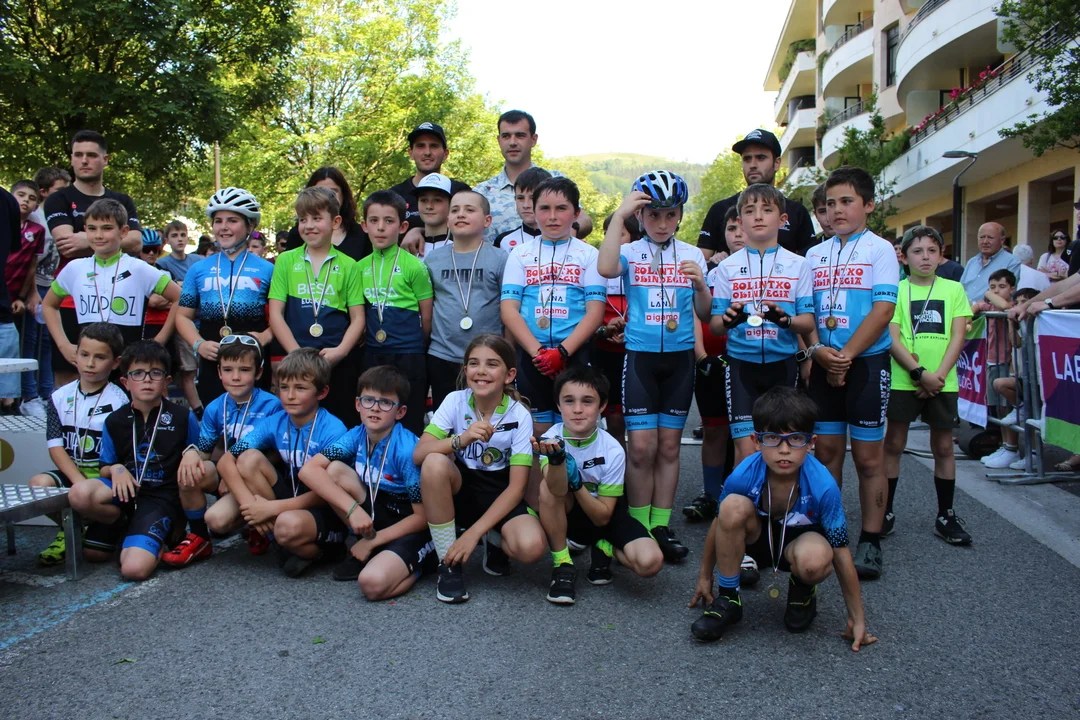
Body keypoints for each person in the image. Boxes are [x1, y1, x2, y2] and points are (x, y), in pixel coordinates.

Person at [687, 387, 875, 651]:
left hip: (800, 544)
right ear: (756, 441)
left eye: (796, 439)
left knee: (815, 560)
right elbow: (719, 523)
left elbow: (841, 553)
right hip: (758, 540)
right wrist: (705, 575)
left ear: (811, 443)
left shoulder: (824, 485)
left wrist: (857, 618)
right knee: (731, 506)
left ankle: (803, 588)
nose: (784, 450)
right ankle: (729, 598)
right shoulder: (743, 474)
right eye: (773, 438)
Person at [597, 171, 708, 564]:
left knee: (669, 446)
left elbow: (705, 313)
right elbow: (605, 268)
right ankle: (639, 523)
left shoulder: (693, 254)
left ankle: (661, 525)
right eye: (653, 215)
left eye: (670, 215)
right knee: (641, 447)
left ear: (680, 216)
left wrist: (701, 286)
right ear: (641, 217)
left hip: (679, 360)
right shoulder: (630, 252)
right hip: (641, 358)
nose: (662, 223)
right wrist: (618, 215)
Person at [805, 166, 898, 580]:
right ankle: (832, 531)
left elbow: (883, 311)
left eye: (847, 201)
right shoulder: (814, 254)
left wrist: (843, 357)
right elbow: (805, 312)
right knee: (826, 453)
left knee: (867, 458)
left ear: (869, 205)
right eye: (830, 204)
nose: (837, 210)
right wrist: (817, 351)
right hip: (824, 362)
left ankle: (871, 540)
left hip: (865, 364)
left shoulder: (880, 249)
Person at [413, 334, 546, 603]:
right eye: (474, 363)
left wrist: (472, 535)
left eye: (492, 364)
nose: (481, 371)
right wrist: (460, 440)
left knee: (531, 548)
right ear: (465, 371)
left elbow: (516, 488)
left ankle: (491, 537)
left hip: (500, 492)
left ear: (509, 375)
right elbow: (419, 454)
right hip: (462, 488)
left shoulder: (519, 414)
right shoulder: (455, 400)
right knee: (434, 463)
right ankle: (448, 563)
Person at [67, 341, 200, 581]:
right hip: (125, 493)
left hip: (160, 498)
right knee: (79, 496)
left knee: (132, 569)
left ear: (167, 381)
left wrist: (193, 452)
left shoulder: (182, 417)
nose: (147, 380)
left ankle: (160, 534)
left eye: (155, 373)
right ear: (125, 382)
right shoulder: (114, 421)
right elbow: (104, 467)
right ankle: (121, 522)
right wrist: (116, 469)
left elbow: (200, 457)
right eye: (138, 374)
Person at [300, 365, 437, 598]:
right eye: (368, 400)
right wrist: (353, 510)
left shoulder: (406, 450)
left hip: (410, 525)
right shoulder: (357, 434)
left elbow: (422, 517)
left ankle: (421, 563)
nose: (375, 408)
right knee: (334, 470)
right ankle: (368, 543)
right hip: (376, 509)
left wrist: (374, 542)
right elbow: (309, 470)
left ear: (400, 412)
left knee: (371, 585)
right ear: (357, 404)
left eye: (386, 403)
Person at [536, 365, 663, 605]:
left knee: (651, 562)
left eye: (587, 401)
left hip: (605, 514)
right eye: (569, 401)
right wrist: (557, 464)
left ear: (602, 406)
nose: (577, 410)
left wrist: (577, 484)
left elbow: (603, 517)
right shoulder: (551, 439)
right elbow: (556, 491)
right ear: (558, 405)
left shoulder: (613, 448)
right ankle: (562, 564)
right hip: (571, 515)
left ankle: (605, 547)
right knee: (547, 487)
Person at [217, 349, 348, 576]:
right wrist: (251, 508)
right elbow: (227, 460)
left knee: (287, 527)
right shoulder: (276, 421)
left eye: (300, 388)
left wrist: (271, 508)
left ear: (322, 392)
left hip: (327, 507)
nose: (290, 395)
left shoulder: (333, 430)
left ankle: (324, 551)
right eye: (284, 387)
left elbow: (330, 492)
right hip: (291, 497)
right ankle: (279, 536)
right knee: (247, 459)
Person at [882, 226, 973, 545]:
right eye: (917, 251)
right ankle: (885, 510)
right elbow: (891, 337)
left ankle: (946, 514)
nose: (925, 257)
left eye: (932, 251)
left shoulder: (954, 289)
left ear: (941, 255)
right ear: (904, 257)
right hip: (904, 378)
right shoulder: (896, 289)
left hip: (942, 381)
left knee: (944, 446)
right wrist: (919, 373)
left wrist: (938, 376)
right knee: (894, 443)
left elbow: (958, 336)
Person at [501, 177, 605, 437]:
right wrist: (539, 353)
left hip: (575, 355)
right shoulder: (520, 253)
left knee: (574, 429)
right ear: (534, 211)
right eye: (545, 208)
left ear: (576, 213)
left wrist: (562, 352)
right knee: (537, 432)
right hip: (532, 357)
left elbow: (595, 312)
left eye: (561, 208)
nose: (553, 216)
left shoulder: (589, 255)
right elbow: (509, 309)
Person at [42, 199, 180, 387]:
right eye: (92, 228)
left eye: (107, 228)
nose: (99, 235)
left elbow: (181, 298)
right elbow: (48, 305)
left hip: (128, 364)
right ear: (85, 230)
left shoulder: (139, 268)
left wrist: (159, 340)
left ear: (123, 231)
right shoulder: (74, 268)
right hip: (91, 364)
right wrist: (63, 344)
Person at [42, 131, 143, 387]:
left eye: (91, 155)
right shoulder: (58, 198)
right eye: (78, 155)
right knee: (68, 377)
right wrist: (112, 240)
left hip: (120, 301)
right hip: (72, 301)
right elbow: (66, 245)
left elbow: (137, 242)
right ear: (72, 159)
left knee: (120, 378)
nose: (84, 160)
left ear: (105, 160)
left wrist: (84, 240)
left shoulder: (121, 200)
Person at [29, 323, 127, 566]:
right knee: (38, 485)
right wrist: (77, 481)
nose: (90, 363)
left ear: (115, 362)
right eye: (84, 354)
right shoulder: (59, 396)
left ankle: (119, 520)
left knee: (95, 556)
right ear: (76, 355)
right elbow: (55, 446)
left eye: (100, 357)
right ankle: (71, 528)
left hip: (104, 478)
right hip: (75, 474)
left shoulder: (121, 401)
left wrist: (84, 488)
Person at [178, 334, 282, 557]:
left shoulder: (273, 405)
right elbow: (205, 452)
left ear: (259, 372)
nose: (235, 377)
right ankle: (199, 537)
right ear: (219, 372)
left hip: (260, 478)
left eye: (244, 370)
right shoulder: (215, 408)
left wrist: (232, 472)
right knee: (193, 472)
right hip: (230, 475)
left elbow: (278, 454)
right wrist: (191, 454)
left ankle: (260, 526)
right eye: (228, 370)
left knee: (218, 517)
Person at [269, 187, 366, 427]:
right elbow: (276, 314)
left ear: (335, 222)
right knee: (298, 423)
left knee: (339, 423)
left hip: (336, 362)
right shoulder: (285, 261)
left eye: (316, 218)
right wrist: (296, 354)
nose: (309, 225)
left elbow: (358, 319)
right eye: (303, 219)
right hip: (296, 358)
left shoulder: (350, 265)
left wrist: (341, 351)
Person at [176, 187, 275, 407]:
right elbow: (182, 316)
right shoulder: (198, 269)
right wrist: (198, 344)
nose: (223, 227)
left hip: (253, 361)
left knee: (255, 420)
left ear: (250, 225)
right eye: (218, 221)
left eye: (232, 220)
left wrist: (265, 337)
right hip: (213, 360)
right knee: (216, 420)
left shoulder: (268, 270)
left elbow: (282, 316)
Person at [358, 190, 433, 436]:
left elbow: (427, 316)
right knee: (373, 413)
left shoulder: (415, 266)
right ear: (364, 226)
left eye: (389, 221)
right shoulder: (359, 267)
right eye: (374, 221)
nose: (381, 227)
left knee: (408, 416)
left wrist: (417, 344)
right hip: (373, 352)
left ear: (402, 227)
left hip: (409, 354)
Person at [684, 206, 741, 521]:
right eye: (732, 229)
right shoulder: (711, 271)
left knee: (749, 434)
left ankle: (744, 497)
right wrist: (701, 355)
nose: (738, 234)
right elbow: (695, 312)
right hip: (711, 361)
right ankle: (711, 495)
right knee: (715, 431)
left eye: (742, 228)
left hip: (746, 362)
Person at [425, 190, 506, 410]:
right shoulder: (433, 259)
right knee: (447, 418)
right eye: (455, 210)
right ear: (447, 220)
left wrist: (507, 352)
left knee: (487, 415)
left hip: (488, 357)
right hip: (442, 354)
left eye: (469, 210)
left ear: (487, 220)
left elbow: (509, 310)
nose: (461, 214)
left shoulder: (500, 258)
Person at [697, 129, 815, 261]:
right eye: (747, 159)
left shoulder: (797, 211)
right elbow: (700, 261)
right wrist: (714, 262)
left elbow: (811, 260)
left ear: (777, 163)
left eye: (760, 158)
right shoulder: (719, 209)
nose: (752, 165)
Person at [477, 110, 581, 243]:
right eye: (506, 136)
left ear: (533, 139)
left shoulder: (555, 180)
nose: (512, 142)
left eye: (520, 135)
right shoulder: (482, 192)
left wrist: (572, 228)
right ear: (499, 140)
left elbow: (583, 218)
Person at [21, 168, 69, 419]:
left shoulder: (60, 219)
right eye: (59, 190)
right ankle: (28, 395)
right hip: (36, 287)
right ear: (44, 192)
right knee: (31, 342)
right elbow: (29, 261)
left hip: (53, 285)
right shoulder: (36, 219)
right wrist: (31, 292)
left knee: (49, 342)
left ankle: (46, 393)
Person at [593, 212, 641, 453]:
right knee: (613, 421)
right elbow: (586, 318)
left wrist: (630, 329)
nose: (610, 238)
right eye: (606, 233)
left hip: (637, 354)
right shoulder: (597, 265)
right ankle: (616, 469)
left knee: (637, 425)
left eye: (619, 233)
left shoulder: (642, 264)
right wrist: (603, 331)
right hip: (604, 354)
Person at [392, 122, 472, 245]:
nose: (427, 152)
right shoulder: (394, 196)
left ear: (445, 154)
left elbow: (471, 230)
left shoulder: (461, 191)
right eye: (420, 146)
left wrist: (420, 230)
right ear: (410, 153)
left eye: (434, 146)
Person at [972, 268, 1020, 469]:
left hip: (1006, 361)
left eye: (1002, 286)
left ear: (1012, 288)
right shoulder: (989, 306)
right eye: (992, 287)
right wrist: (975, 308)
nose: (996, 291)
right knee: (998, 409)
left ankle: (1012, 447)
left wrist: (988, 293)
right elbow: (972, 309)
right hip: (991, 359)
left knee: (1008, 407)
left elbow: (1004, 305)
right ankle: (1004, 445)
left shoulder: (1011, 307)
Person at [7, 181, 45, 414]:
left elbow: (32, 265)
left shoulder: (37, 230)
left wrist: (23, 296)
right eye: (20, 195)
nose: (25, 200)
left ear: (36, 205)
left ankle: (9, 400)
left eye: (32, 198)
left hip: (13, 296)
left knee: (12, 346)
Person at [157, 220, 201, 412]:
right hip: (183, 324)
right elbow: (161, 297)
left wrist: (181, 284)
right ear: (167, 241)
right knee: (188, 370)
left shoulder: (197, 260)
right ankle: (197, 410)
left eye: (183, 235)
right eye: (174, 236)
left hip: (203, 320)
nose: (180, 239)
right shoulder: (163, 264)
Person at [286, 167, 371, 261]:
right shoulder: (298, 234)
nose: (327, 196)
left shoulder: (362, 234)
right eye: (320, 191)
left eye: (333, 191)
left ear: (343, 194)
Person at [960, 222, 1021, 302]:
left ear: (1002, 240)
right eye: (982, 237)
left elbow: (1007, 294)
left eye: (990, 238)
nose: (985, 241)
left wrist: (977, 305)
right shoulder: (972, 262)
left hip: (990, 309)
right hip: (964, 308)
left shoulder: (1011, 262)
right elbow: (961, 288)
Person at [493, 167, 551, 252]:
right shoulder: (503, 241)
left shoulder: (563, 238)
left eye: (533, 198)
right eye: (520, 198)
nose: (526, 205)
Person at [414, 173, 453, 255]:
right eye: (424, 200)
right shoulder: (409, 247)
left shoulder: (462, 246)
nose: (429, 206)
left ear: (450, 204)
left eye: (437, 200)